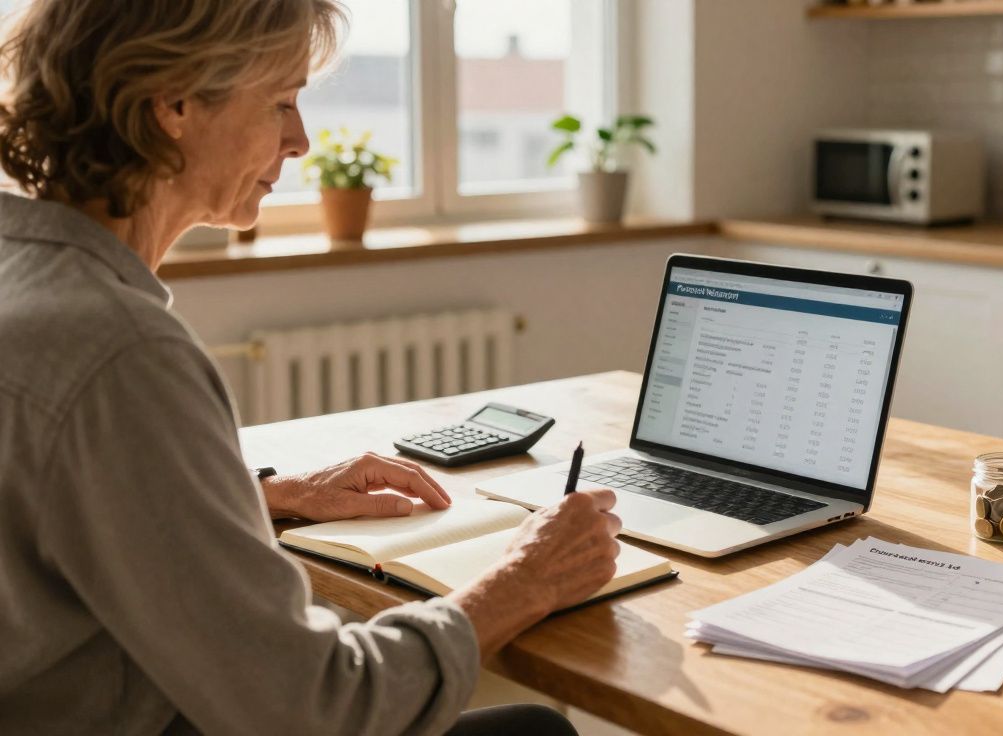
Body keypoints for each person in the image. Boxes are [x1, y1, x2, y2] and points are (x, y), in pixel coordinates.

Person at [0, 1, 621, 734]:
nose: (300, 141)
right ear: (173, 101)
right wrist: (525, 582)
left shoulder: (24, 277)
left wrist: (263, 497)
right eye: (281, 103)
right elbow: (315, 709)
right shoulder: (122, 351)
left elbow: (55, 512)